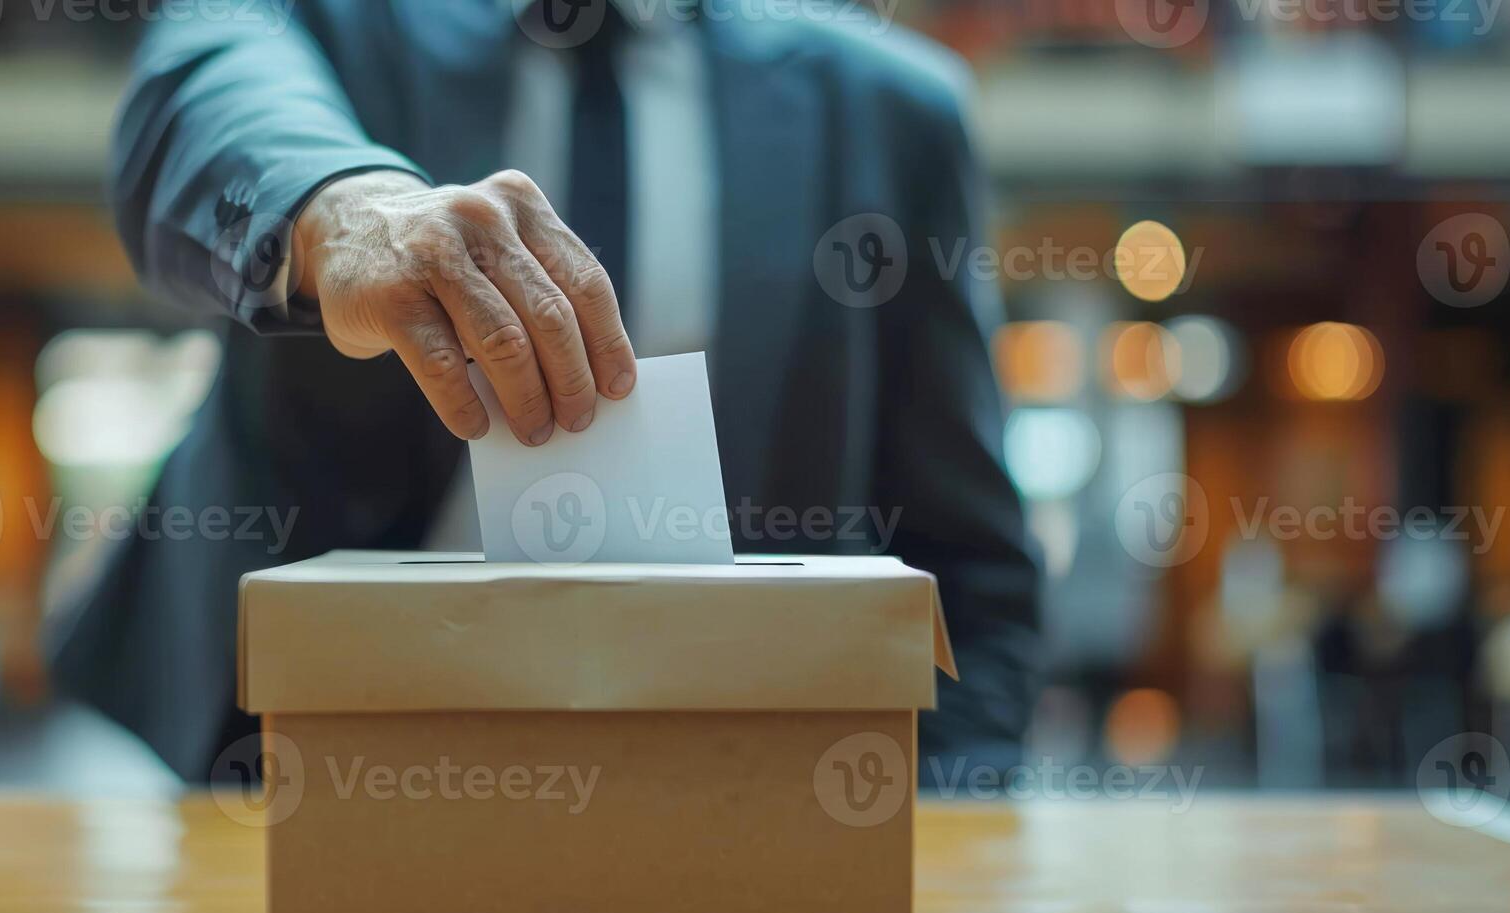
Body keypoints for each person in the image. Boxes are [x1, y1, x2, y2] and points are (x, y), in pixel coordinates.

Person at [55, 0, 1041, 781]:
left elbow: (967, 560)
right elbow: (199, 97)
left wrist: (944, 827)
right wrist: (344, 208)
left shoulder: (885, 107)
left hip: (728, 794)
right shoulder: (329, 19)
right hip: (305, 758)